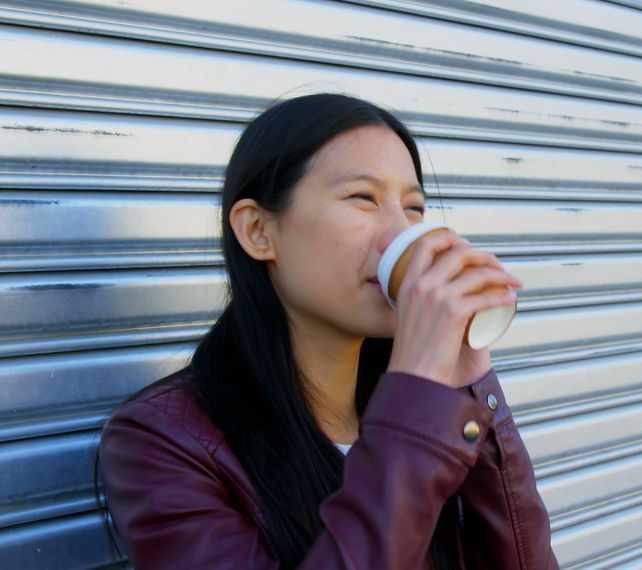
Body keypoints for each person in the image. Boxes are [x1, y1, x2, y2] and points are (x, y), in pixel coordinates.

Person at [96, 93, 558, 569]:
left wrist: (469, 382)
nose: (401, 234)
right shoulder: (163, 442)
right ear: (258, 231)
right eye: (363, 198)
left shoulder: (426, 413)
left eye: (415, 208)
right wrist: (416, 396)